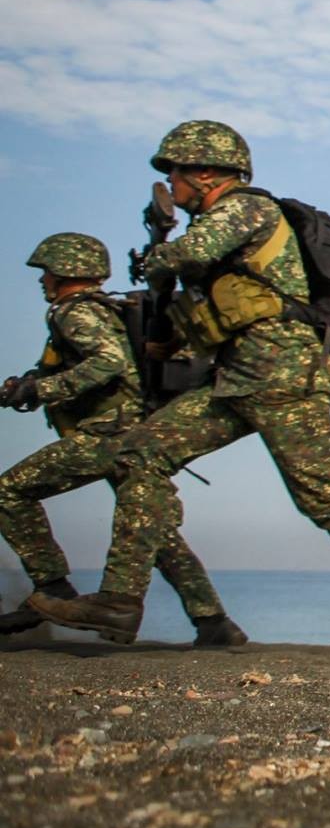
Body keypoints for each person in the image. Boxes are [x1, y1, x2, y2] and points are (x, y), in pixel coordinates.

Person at [28, 122, 330, 656]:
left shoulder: (246, 208)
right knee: (139, 453)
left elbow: (189, 254)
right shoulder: (220, 224)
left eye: (177, 173)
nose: (174, 184)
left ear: (206, 172)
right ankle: (120, 599)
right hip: (238, 379)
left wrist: (157, 254)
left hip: (283, 378)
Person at [0, 233, 244, 646]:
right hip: (134, 432)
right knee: (154, 528)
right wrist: (33, 381)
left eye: (46, 272)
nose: (42, 281)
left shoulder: (72, 313)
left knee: (8, 492)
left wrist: (40, 391)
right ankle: (213, 621)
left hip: (106, 435)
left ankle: (53, 586)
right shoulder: (107, 310)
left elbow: (109, 363)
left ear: (65, 272)